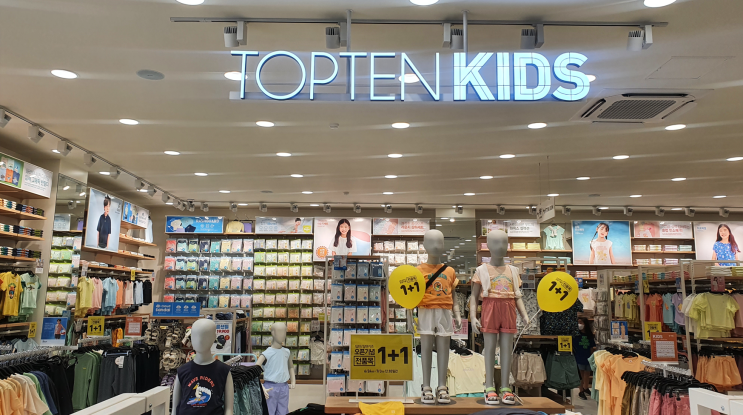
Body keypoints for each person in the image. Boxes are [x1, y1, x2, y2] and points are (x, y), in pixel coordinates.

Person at [574, 317, 596, 400]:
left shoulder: (589, 336)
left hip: (588, 356)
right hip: (579, 356)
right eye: (578, 322)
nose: (579, 324)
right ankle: (581, 390)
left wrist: (592, 356)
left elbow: (592, 347)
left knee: (587, 372)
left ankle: (586, 387)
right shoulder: (576, 335)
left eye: (581, 322)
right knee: (581, 374)